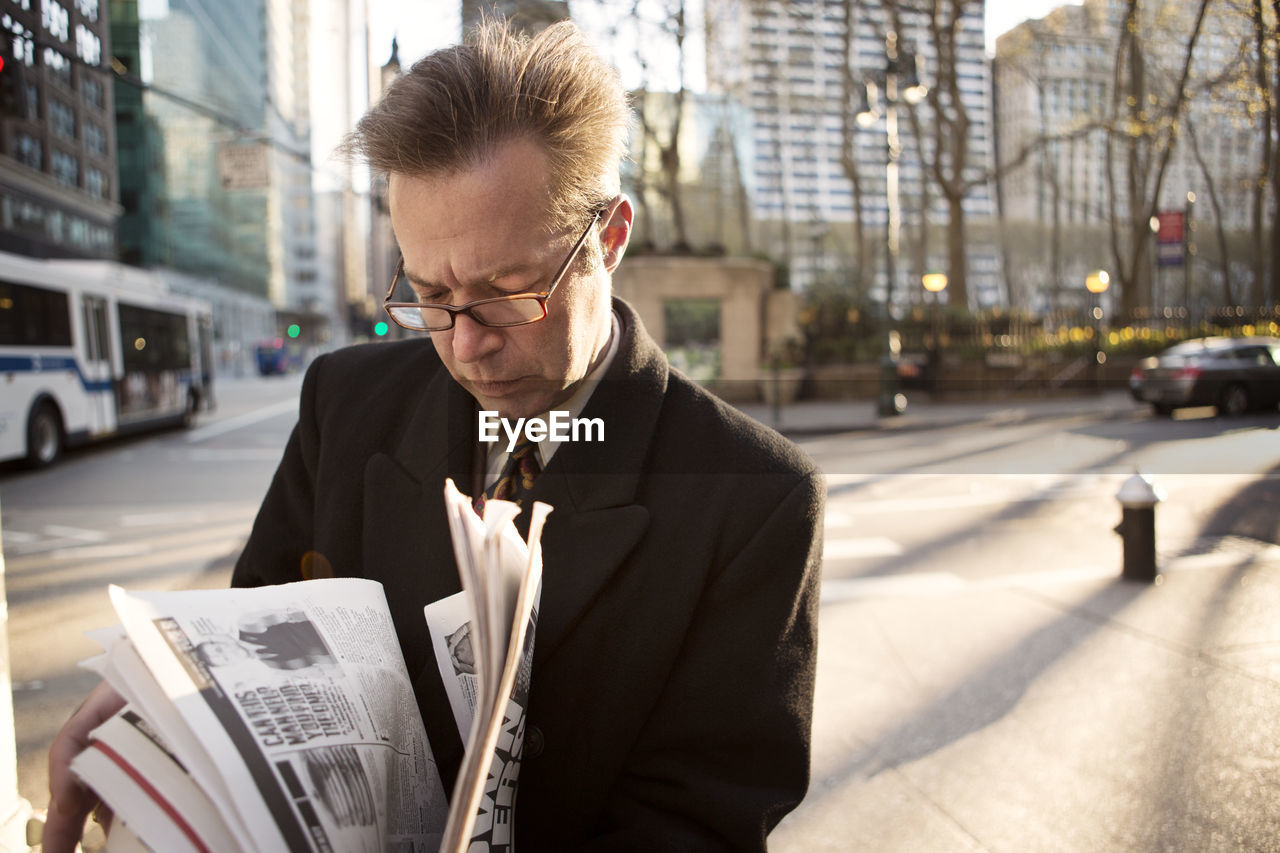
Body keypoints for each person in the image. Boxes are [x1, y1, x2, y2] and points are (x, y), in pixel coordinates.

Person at [45, 19, 823, 851]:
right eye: (429, 291)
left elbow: (697, 823)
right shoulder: (343, 402)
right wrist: (173, 706)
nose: (466, 342)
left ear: (610, 237)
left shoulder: (756, 497)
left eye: (509, 291)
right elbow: (256, 634)